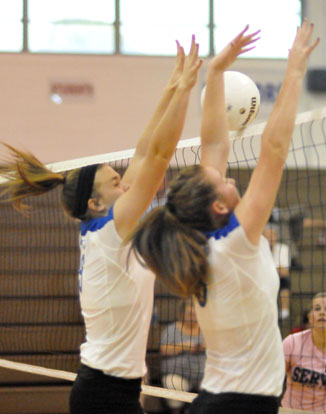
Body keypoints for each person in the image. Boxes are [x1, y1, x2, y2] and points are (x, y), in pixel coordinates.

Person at [0, 37, 202, 414]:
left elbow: (143, 152)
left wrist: (174, 84)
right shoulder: (113, 229)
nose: (125, 184)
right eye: (115, 183)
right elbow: (158, 155)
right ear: (95, 203)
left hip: (112, 390)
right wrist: (186, 91)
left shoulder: (105, 228)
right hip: (104, 395)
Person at [128, 21, 319, 414]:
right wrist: (295, 72)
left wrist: (214, 74)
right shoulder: (236, 242)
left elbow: (214, 142)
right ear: (218, 207)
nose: (229, 174)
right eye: (223, 180)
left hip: (221, 401)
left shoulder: (207, 240)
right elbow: (275, 148)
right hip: (239, 406)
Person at [282, 292, 326, 412]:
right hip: (292, 411)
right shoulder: (292, 342)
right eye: (317, 308)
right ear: (310, 318)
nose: (322, 312)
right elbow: (273, 378)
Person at [160, 299, 206, 414]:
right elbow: (164, 349)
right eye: (190, 313)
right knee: (174, 385)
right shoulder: (172, 329)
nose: (192, 316)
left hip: (204, 375)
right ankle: (176, 410)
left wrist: (205, 345)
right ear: (182, 313)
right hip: (177, 374)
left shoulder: (206, 329)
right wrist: (184, 346)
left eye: (195, 314)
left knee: (214, 389)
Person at [263, 224, 291, 320]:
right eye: (267, 235)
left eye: (272, 235)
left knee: (285, 280)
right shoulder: (258, 249)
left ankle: (284, 311)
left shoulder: (283, 248)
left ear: (276, 236)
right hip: (263, 279)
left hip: (277, 279)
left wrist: (267, 270)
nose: (270, 238)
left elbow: (284, 272)